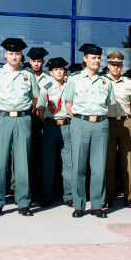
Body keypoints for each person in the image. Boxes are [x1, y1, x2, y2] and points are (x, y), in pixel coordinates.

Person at [0, 38, 39, 217]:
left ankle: (23, 202)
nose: (14, 57)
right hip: (3, 119)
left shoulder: (28, 74)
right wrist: (1, 112)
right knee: (0, 162)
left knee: (23, 163)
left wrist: (23, 113)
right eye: (11, 54)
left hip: (23, 119)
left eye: (17, 54)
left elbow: (35, 99)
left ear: (22, 55)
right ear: (5, 55)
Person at [63, 44, 115, 218]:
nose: (97, 61)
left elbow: (108, 106)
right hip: (80, 123)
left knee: (99, 166)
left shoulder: (106, 81)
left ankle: (97, 205)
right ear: (85, 59)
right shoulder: (74, 79)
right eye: (93, 58)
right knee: (78, 165)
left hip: (100, 124)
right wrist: (80, 118)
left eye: (99, 58)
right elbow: (68, 103)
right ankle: (79, 205)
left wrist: (97, 118)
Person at [104, 51, 131, 209]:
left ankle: (130, 196)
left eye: (118, 65)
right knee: (109, 161)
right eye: (113, 64)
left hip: (125, 122)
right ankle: (109, 196)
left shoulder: (129, 83)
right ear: (108, 65)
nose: (116, 67)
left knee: (128, 160)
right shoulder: (102, 81)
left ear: (122, 66)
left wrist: (128, 117)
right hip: (107, 123)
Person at [36, 57, 72, 207]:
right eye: (56, 69)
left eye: (61, 69)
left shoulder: (71, 86)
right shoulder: (46, 87)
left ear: (65, 71)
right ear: (51, 72)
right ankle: (46, 195)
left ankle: (69, 195)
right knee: (48, 162)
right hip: (51, 125)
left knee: (69, 162)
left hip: (68, 125)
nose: (59, 71)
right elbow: (40, 110)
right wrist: (49, 123)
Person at [26, 47, 49, 198]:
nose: (36, 64)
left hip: (44, 119)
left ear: (43, 62)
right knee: (30, 156)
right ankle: (31, 190)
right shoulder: (25, 76)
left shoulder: (48, 80)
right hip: (29, 118)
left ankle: (44, 190)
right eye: (34, 61)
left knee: (44, 156)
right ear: (30, 62)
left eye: (39, 61)